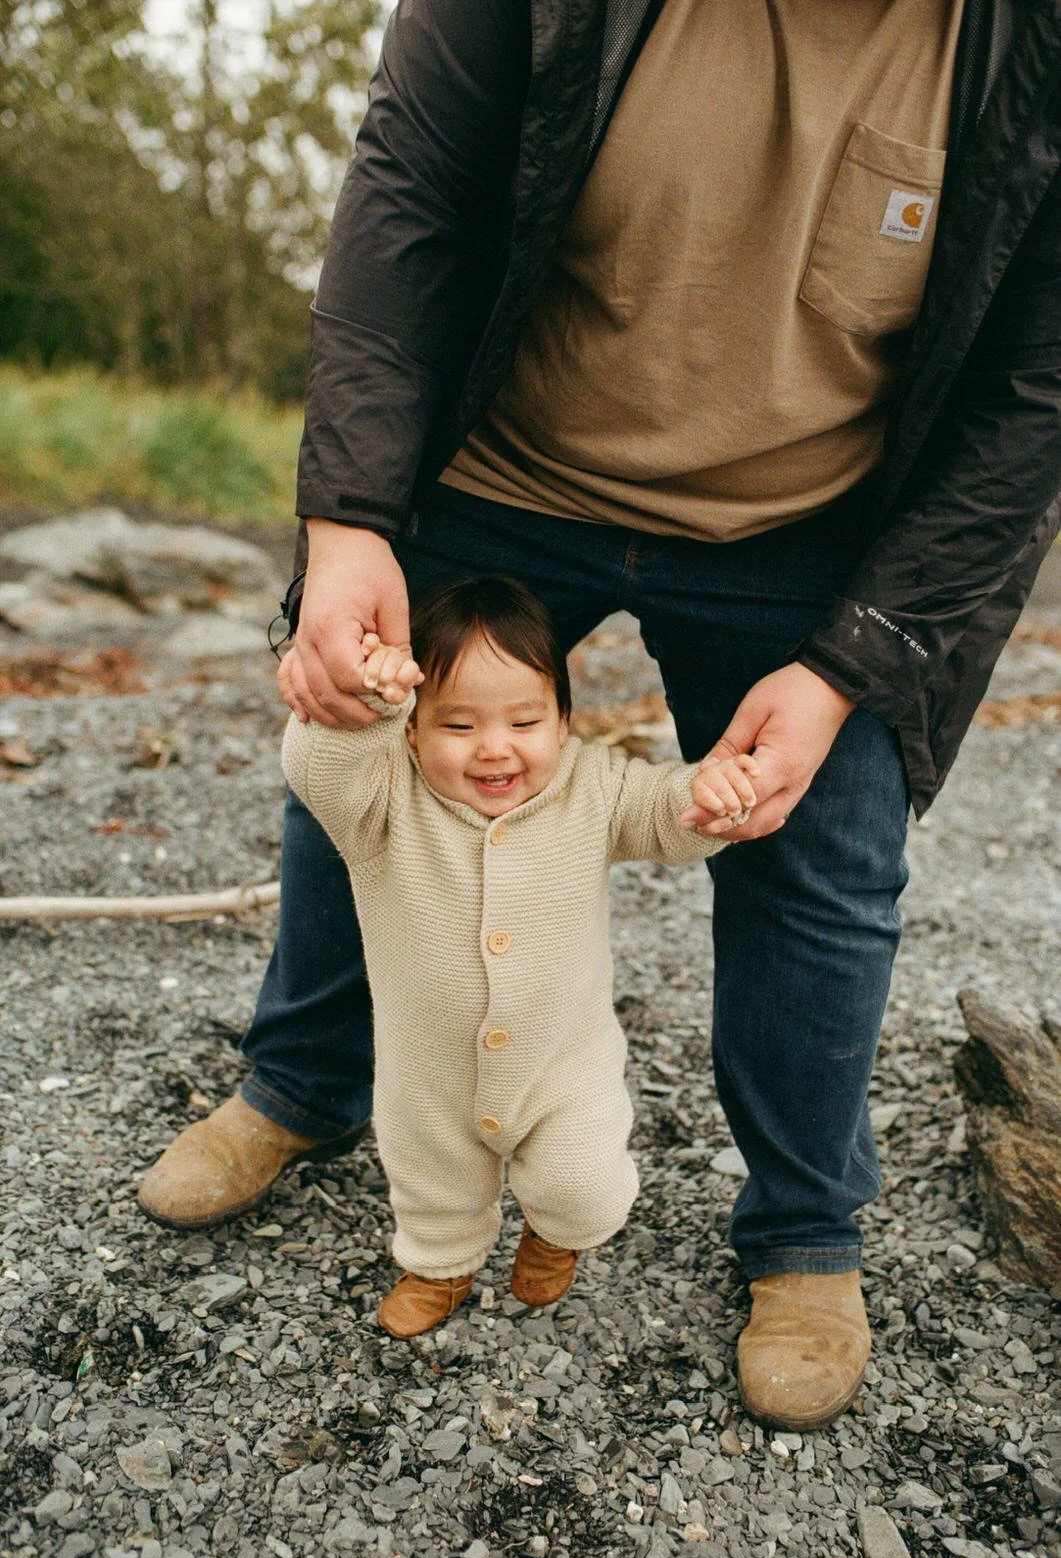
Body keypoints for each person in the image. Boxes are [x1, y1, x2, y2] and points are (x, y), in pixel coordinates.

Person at [138, 0, 1061, 1430]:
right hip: (507, 456)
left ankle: (807, 1233)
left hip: (813, 517)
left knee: (825, 857)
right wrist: (350, 522)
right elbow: (409, 200)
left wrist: (844, 665)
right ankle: (303, 1085)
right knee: (378, 766)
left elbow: (1031, 392)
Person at [279, 574, 757, 1338]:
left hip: (562, 1062)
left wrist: (713, 793)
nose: (494, 748)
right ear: (410, 731)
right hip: (426, 1071)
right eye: (457, 726)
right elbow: (317, 770)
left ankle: (554, 1235)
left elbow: (666, 812)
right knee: (433, 1186)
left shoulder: (591, 788)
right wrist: (364, 709)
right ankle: (440, 1268)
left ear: (563, 722)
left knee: (583, 1183)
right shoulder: (383, 808)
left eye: (525, 720)